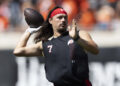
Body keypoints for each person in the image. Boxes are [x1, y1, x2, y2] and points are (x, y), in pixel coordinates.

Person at [14, 6, 99, 86]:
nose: (63, 20)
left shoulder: (80, 34)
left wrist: (77, 38)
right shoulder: (46, 44)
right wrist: (29, 31)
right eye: (59, 17)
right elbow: (17, 51)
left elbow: (95, 50)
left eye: (65, 17)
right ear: (50, 20)